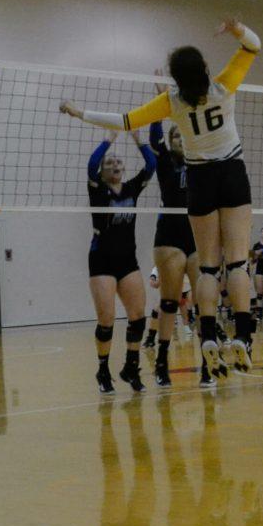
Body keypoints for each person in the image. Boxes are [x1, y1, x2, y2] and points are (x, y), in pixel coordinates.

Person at [61, 19, 260, 380]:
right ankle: (244, 337)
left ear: (175, 78)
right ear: (203, 68)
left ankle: (210, 336)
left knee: (209, 267)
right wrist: (236, 29)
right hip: (231, 172)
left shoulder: (171, 102)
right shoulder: (223, 86)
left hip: (199, 179)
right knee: (238, 264)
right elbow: (253, 46)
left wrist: (80, 112)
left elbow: (123, 120)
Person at [84, 132, 156, 393]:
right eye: (110, 162)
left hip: (128, 259)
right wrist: (109, 139)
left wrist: (138, 139)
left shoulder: (131, 188)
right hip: (101, 258)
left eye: (118, 162)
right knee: (107, 319)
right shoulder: (98, 189)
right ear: (103, 171)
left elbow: (151, 165)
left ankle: (131, 368)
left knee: (138, 316)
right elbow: (91, 165)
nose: (115, 165)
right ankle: (103, 370)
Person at [145, 119, 200, 387]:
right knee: (169, 302)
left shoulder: (201, 162)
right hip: (169, 232)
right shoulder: (165, 160)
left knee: (203, 301)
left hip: (196, 232)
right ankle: (162, 362)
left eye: (183, 135)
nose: (180, 138)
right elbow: (155, 139)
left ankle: (209, 362)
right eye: (175, 135)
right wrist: (159, 109)